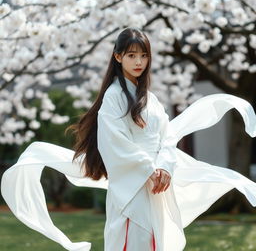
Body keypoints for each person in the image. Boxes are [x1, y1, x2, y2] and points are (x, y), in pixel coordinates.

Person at [1, 27, 256, 251]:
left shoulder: (151, 99)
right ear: (118, 56)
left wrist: (165, 167)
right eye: (132, 55)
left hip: (156, 184)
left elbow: (167, 137)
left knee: (157, 242)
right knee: (133, 242)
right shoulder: (112, 98)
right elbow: (115, 142)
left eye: (143, 55)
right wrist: (148, 169)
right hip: (132, 187)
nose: (138, 62)